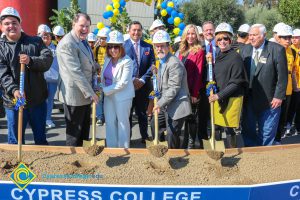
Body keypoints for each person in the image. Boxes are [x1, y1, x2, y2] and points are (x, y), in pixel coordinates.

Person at [0, 7, 53, 144]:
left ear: (20, 24)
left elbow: (47, 60)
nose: (11, 26)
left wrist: (31, 60)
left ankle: (43, 164)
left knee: (40, 139)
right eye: (6, 23)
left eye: (14, 22)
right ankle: (17, 165)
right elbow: (2, 73)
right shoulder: (1, 48)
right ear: (1, 26)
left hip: (37, 101)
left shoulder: (35, 41)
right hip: (13, 103)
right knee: (16, 141)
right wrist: (14, 90)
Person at [240, 24, 288, 146]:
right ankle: (251, 156)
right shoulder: (245, 49)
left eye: (254, 35)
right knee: (248, 130)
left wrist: (278, 96)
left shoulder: (277, 50)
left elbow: (282, 76)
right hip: (249, 98)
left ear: (264, 35)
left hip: (270, 100)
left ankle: (265, 159)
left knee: (267, 133)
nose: (251, 38)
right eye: (250, 35)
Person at [56, 13, 99, 146]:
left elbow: (86, 61)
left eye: (87, 26)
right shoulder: (68, 43)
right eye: (81, 26)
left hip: (85, 93)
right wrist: (91, 93)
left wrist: (95, 66)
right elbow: (75, 72)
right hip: (75, 96)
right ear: (73, 24)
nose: (85, 29)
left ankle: (83, 160)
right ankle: (72, 162)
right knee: (75, 135)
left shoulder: (82, 40)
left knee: (84, 132)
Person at [208, 23, 248, 148]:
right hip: (219, 96)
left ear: (230, 40)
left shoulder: (235, 57)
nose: (222, 41)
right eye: (219, 39)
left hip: (231, 98)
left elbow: (236, 83)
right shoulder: (219, 56)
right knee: (217, 126)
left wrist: (219, 96)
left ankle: (232, 153)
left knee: (229, 129)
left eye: (225, 38)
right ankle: (219, 152)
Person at [151, 30, 191, 149]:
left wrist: (159, 103)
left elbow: (174, 88)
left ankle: (174, 156)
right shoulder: (162, 61)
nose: (159, 49)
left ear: (168, 46)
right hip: (166, 104)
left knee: (172, 134)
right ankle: (162, 150)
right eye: (157, 46)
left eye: (162, 46)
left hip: (177, 104)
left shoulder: (174, 63)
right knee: (154, 124)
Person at [101, 31, 134, 148]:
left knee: (122, 123)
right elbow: (104, 77)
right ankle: (112, 148)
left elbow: (123, 83)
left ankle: (123, 149)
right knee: (109, 123)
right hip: (109, 96)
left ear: (121, 47)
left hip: (122, 97)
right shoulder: (107, 59)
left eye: (116, 46)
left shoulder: (128, 61)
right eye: (110, 46)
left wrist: (104, 90)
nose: (113, 49)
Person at [124, 21, 155, 143]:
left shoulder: (148, 46)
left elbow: (152, 65)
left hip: (143, 85)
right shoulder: (122, 46)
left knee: (142, 113)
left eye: (138, 30)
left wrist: (142, 79)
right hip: (128, 85)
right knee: (128, 113)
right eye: (134, 30)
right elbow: (121, 65)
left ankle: (144, 136)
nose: (136, 32)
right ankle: (127, 137)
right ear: (129, 31)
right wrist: (132, 79)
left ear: (142, 31)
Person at [178, 24, 205, 149]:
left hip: (191, 90)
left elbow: (198, 74)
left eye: (193, 33)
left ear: (197, 36)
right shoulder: (182, 50)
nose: (190, 36)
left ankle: (191, 143)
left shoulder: (199, 51)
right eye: (188, 33)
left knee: (191, 117)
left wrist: (195, 93)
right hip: (181, 89)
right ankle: (185, 142)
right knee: (184, 116)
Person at [37, 24, 59, 129]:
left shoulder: (56, 48)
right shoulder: (36, 47)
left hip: (53, 79)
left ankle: (48, 118)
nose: (45, 37)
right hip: (39, 78)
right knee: (41, 99)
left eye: (47, 35)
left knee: (50, 99)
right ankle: (40, 119)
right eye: (42, 35)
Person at [285, 28, 300, 136]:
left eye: (296, 37)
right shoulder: (289, 50)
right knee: (292, 107)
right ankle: (288, 126)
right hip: (293, 85)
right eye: (293, 37)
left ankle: (298, 127)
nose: (294, 39)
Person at [95, 27, 110, 126]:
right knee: (99, 97)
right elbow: (93, 60)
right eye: (99, 38)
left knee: (108, 98)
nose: (100, 40)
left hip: (109, 78)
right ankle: (100, 117)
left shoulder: (112, 49)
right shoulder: (96, 48)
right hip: (99, 77)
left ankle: (108, 117)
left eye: (103, 38)